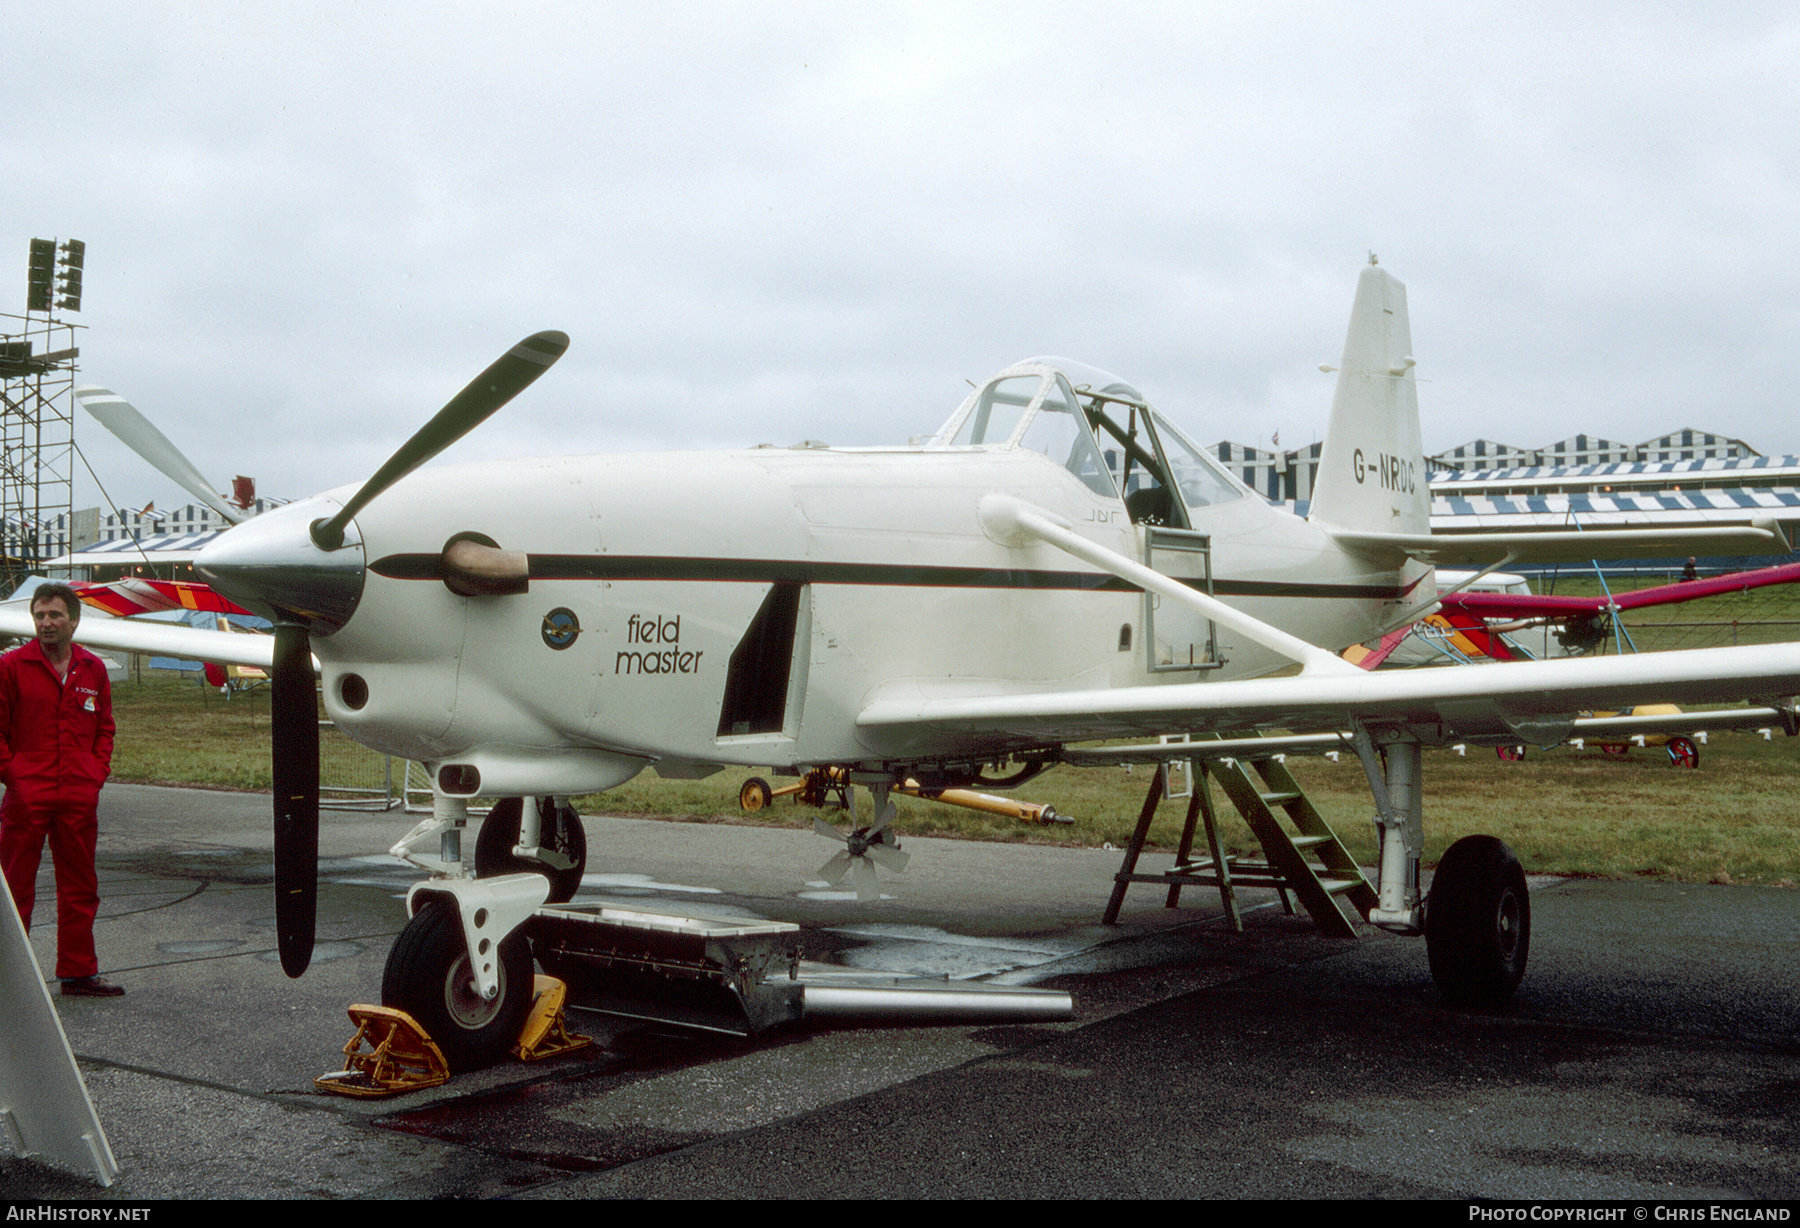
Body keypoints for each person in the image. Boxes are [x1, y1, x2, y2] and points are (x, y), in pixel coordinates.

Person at [0, 582, 120, 996]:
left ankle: (78, 972)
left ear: (73, 619)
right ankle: (11, 980)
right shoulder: (12, 667)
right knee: (15, 887)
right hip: (27, 795)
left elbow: (104, 728)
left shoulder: (93, 669)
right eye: (39, 616)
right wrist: (15, 776)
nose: (46, 623)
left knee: (80, 886)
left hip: (77, 796)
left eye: (54, 615)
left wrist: (94, 773)